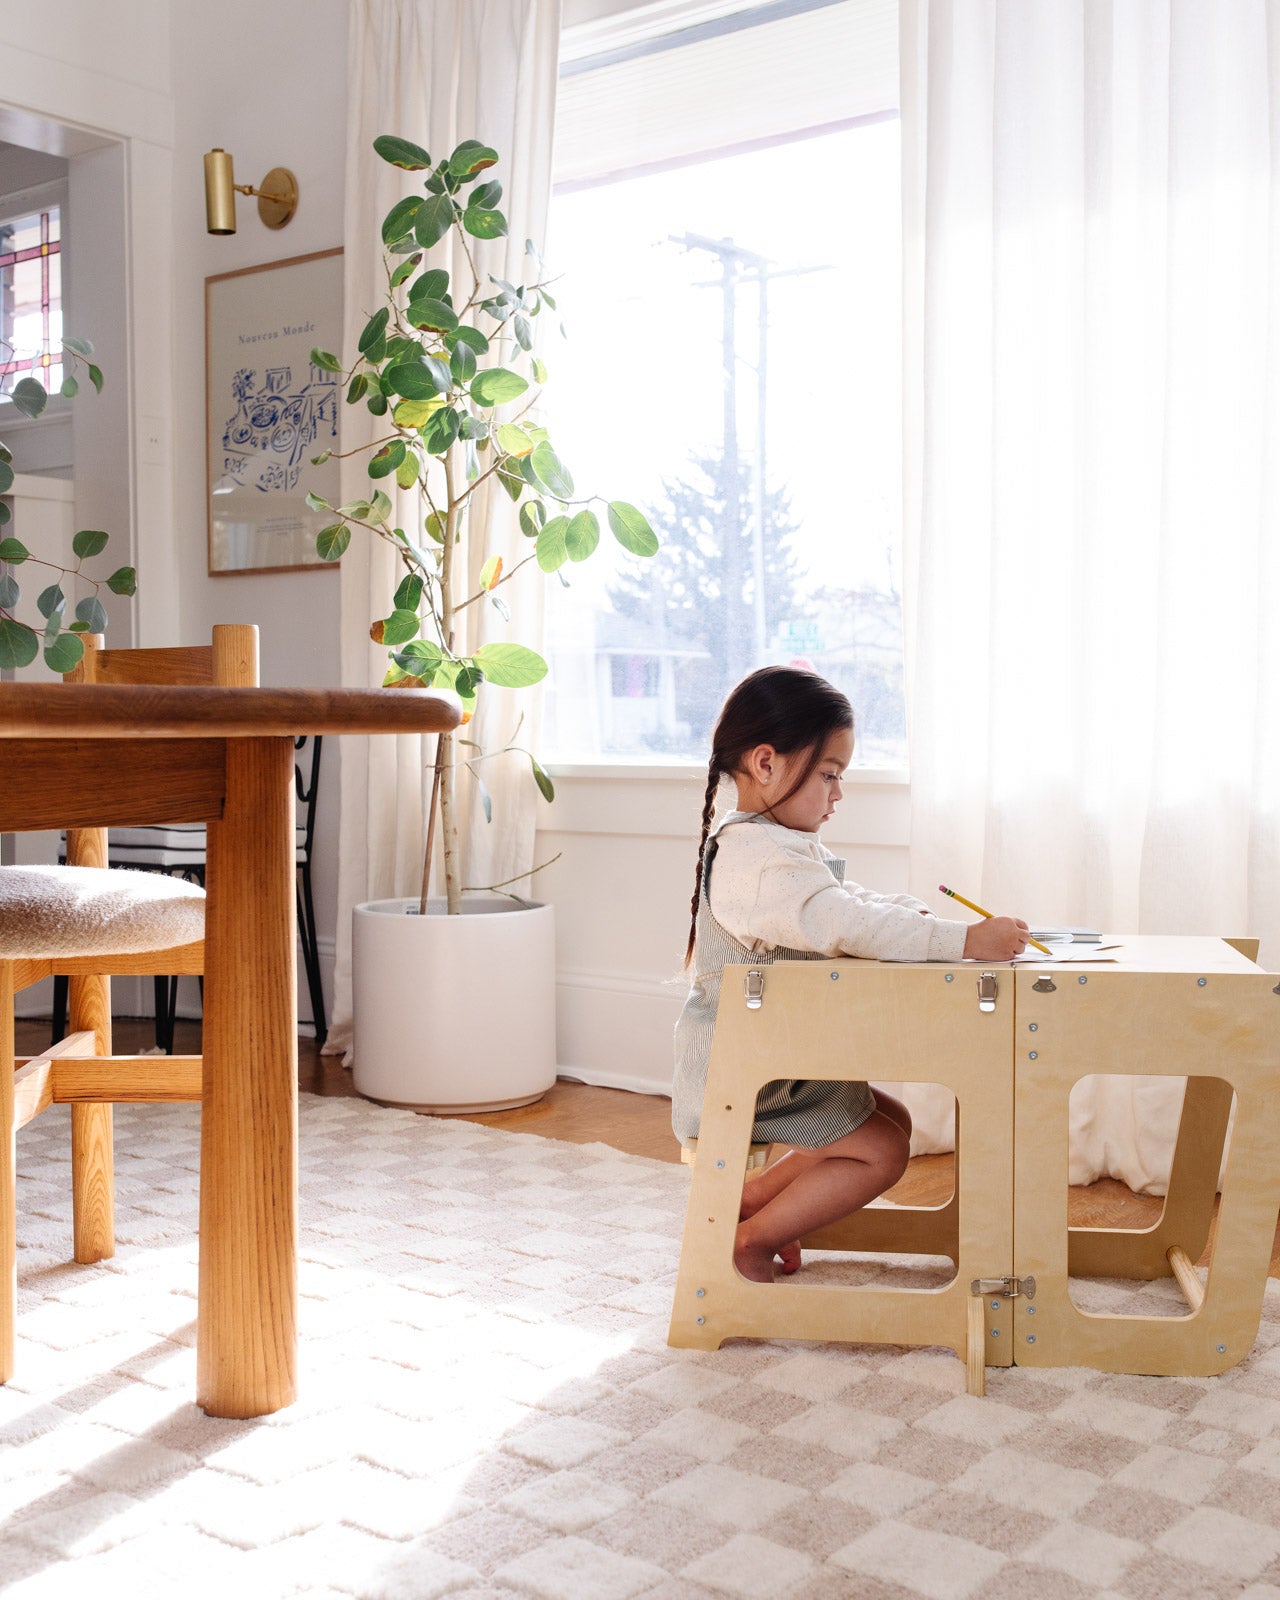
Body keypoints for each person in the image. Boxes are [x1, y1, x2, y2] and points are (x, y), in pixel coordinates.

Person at [672, 665, 1029, 1283]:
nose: (838, 795)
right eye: (830, 776)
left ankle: (756, 1204)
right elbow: (841, 922)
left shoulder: (772, 846)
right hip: (750, 1072)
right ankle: (752, 1237)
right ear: (765, 764)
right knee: (882, 1149)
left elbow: (844, 902)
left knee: (892, 1120)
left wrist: (908, 913)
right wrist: (963, 939)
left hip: (777, 1059)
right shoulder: (757, 862)